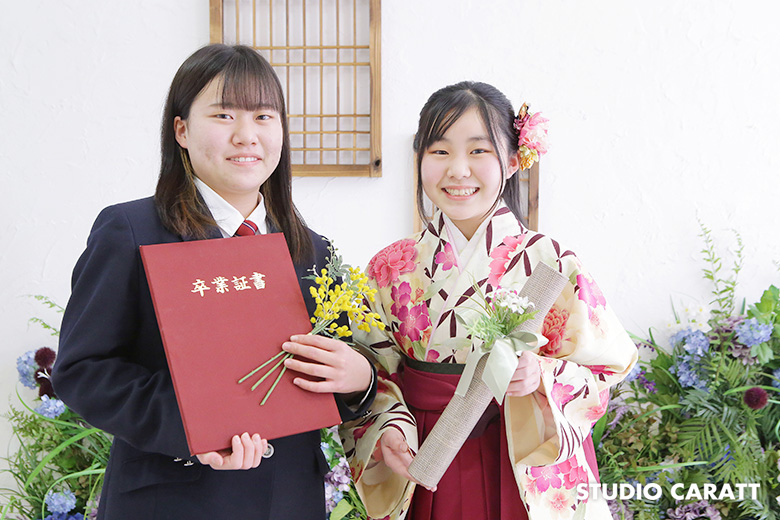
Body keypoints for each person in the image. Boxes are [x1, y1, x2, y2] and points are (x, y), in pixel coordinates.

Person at [51, 44, 376, 520]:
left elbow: (330, 372)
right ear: (181, 129)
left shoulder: (313, 249)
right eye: (224, 115)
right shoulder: (132, 231)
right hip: (171, 502)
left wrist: (358, 379)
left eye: (264, 117)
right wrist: (193, 426)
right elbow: (83, 370)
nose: (247, 136)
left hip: (289, 500)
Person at [339, 82, 638, 520]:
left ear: (513, 161)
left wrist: (541, 375)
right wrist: (388, 426)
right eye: (440, 151)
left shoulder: (551, 262)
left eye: (478, 151)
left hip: (523, 453)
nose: (458, 169)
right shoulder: (391, 266)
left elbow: (606, 367)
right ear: (420, 159)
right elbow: (371, 370)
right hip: (429, 449)